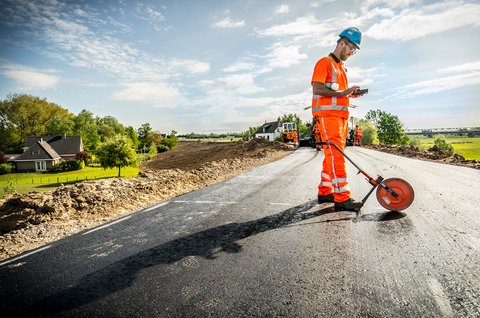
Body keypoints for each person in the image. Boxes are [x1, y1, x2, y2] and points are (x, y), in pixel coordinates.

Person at [310, 27, 366, 211]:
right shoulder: (324, 62)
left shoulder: (341, 68)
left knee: (331, 156)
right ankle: (342, 198)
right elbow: (317, 89)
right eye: (351, 48)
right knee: (336, 157)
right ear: (342, 43)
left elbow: (337, 94)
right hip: (328, 118)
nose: (352, 52)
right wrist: (343, 93)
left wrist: (349, 95)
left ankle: (326, 191)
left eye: (355, 50)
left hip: (340, 118)